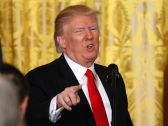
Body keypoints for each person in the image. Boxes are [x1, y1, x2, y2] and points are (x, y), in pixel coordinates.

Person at [25, 4, 133, 126]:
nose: (89, 36)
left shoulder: (111, 77)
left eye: (93, 29)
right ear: (62, 41)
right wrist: (57, 104)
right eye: (80, 31)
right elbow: (29, 119)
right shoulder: (39, 78)